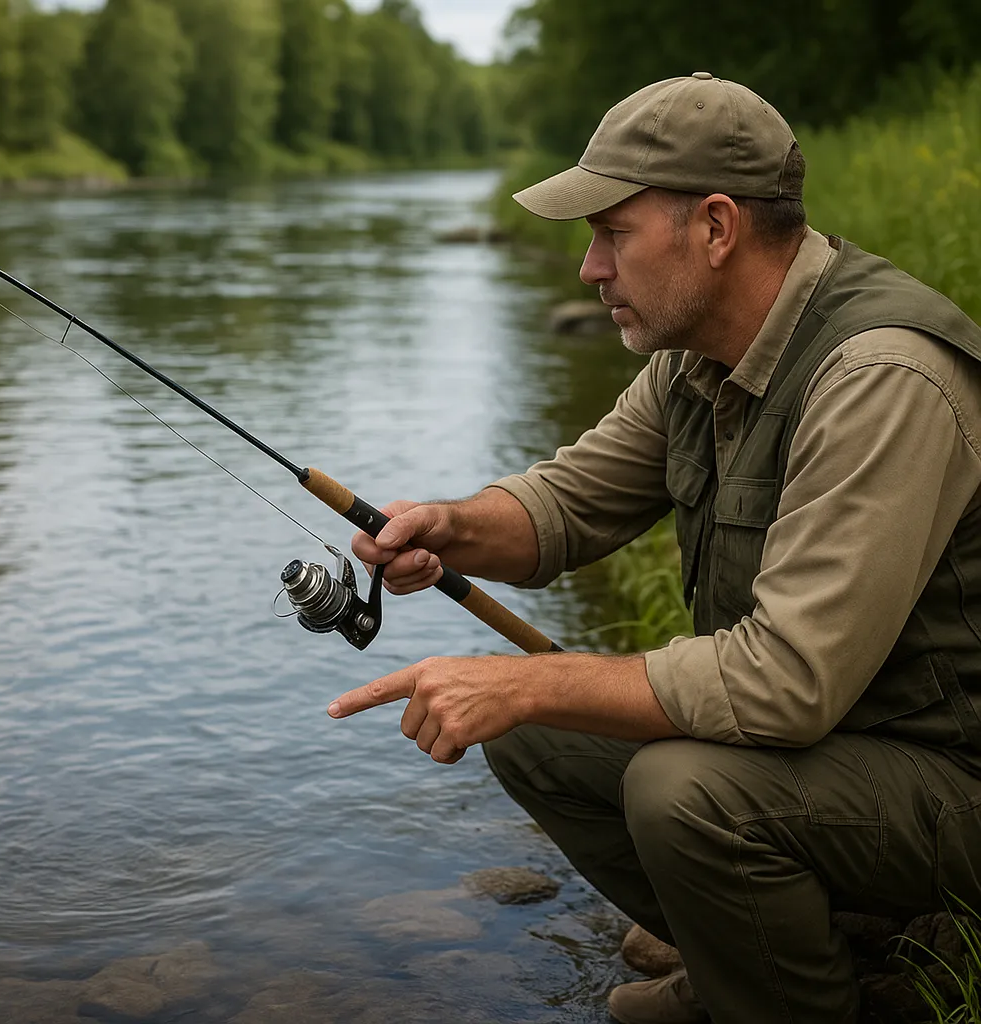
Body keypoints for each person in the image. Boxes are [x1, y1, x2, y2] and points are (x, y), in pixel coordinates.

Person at [327, 73, 981, 1024]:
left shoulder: (881, 377)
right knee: (540, 736)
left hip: (954, 778)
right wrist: (447, 525)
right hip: (842, 757)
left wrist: (529, 680)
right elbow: (569, 505)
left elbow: (784, 683)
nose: (590, 268)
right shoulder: (698, 355)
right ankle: (806, 961)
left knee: (683, 790)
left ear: (716, 228)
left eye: (612, 233)